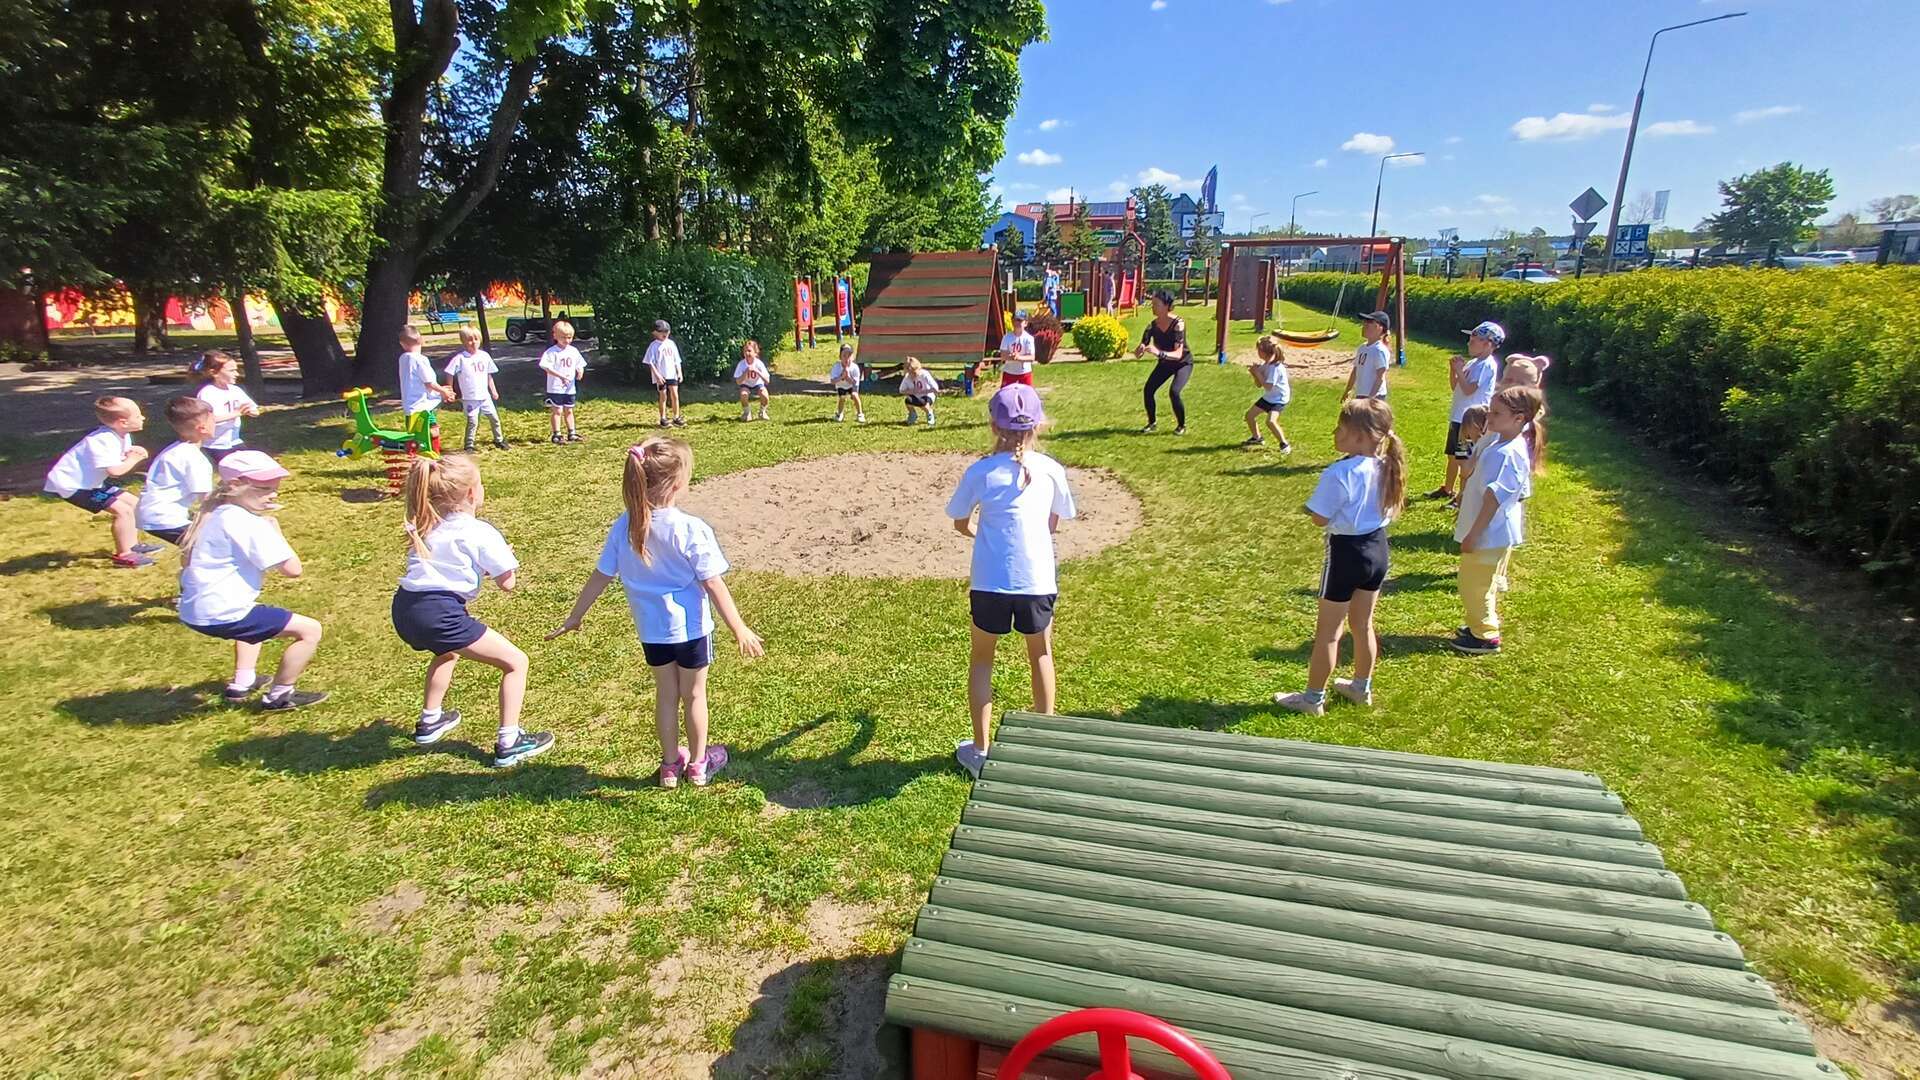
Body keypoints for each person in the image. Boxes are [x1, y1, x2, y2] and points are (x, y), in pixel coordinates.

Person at [549, 438, 764, 788]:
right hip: (692, 631)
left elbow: (601, 575)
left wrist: (576, 616)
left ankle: (669, 767)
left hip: (652, 632)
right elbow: (713, 583)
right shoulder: (690, 528)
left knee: (666, 694)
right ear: (677, 484)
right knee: (694, 695)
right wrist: (739, 627)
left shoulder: (625, 526)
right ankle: (698, 765)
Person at [946, 385, 1076, 779]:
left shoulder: (980, 471)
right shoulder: (1051, 469)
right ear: (1038, 425)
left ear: (992, 426)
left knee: (982, 659)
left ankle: (980, 751)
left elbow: (960, 522)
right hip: (1037, 580)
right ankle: (1044, 745)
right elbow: (1054, 522)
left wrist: (980, 534)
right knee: (1041, 654)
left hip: (990, 582)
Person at [393, 455, 546, 766]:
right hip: (440, 613)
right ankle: (509, 741)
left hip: (405, 608)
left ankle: (430, 720)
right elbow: (508, 583)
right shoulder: (479, 531)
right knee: (516, 662)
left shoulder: (428, 524)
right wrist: (502, 561)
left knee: (446, 652)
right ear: (473, 493)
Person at [1272, 398, 1406, 716]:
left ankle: (1312, 699)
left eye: (1340, 428)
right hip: (1377, 551)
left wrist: (1314, 510)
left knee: (1329, 633)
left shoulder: (1339, 472)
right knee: (1363, 625)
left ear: (1359, 436)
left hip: (1346, 554)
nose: (1335, 433)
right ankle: (1361, 688)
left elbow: (1320, 518)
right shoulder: (1387, 465)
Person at [176, 450, 326, 709]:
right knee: (310, 630)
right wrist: (274, 531)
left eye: (275, 488)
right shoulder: (247, 522)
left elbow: (186, 561)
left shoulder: (214, 513)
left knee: (254, 624)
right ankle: (280, 695)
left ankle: (242, 682)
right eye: (264, 489)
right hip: (223, 613)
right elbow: (292, 569)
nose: (273, 494)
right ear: (235, 485)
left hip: (195, 610)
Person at [1453, 386, 1547, 656]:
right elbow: (1467, 468)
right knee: (1484, 582)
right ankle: (1478, 625)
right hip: (1490, 532)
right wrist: (1465, 440)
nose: (1489, 418)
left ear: (1519, 419)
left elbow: (1494, 499)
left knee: (1473, 585)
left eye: (1496, 414)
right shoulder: (1496, 442)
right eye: (1490, 411)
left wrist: (1473, 534)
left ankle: (1486, 636)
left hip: (1488, 533)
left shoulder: (1506, 454)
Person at [43, 395, 154, 567]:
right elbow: (115, 471)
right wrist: (134, 459)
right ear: (123, 422)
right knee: (122, 511)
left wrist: (132, 451)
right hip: (73, 486)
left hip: (92, 484)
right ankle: (124, 554)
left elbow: (118, 456)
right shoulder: (102, 440)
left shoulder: (121, 435)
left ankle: (133, 545)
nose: (143, 418)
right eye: (138, 415)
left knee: (133, 503)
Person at [1430, 321, 1502, 500]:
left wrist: (1460, 371)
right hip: (1458, 416)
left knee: (1464, 459)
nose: (1469, 343)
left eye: (1474, 340)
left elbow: (1470, 390)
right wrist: (1453, 371)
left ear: (1488, 344)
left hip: (1471, 420)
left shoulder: (1486, 365)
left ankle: (1463, 496)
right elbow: (1456, 386)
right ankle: (1448, 489)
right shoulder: (1473, 363)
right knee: (1452, 456)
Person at [136, 396, 216, 547]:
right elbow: (206, 499)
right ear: (202, 428)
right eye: (214, 420)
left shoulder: (175, 449)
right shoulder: (194, 459)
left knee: (202, 548)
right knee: (212, 546)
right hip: (165, 519)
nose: (216, 424)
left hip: (152, 513)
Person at [1134, 289, 1191, 435]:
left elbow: (1178, 354)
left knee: (1174, 392)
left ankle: (1181, 426)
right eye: (1152, 304)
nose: (1152, 307)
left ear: (1167, 306)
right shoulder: (1152, 326)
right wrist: (1140, 349)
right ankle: (1152, 423)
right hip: (1165, 364)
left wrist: (1158, 353)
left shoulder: (1178, 324)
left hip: (1182, 363)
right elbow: (1141, 347)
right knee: (1149, 390)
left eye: (1156, 304)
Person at [445, 326, 508, 451]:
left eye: (476, 339)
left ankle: (499, 440)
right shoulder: (460, 358)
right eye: (469, 340)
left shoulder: (484, 356)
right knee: (473, 421)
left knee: (494, 418)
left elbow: (488, 375)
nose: (473, 342)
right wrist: (450, 390)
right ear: (463, 342)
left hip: (485, 396)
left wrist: (493, 391)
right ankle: (469, 444)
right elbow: (449, 373)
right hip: (470, 398)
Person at [193, 351, 260, 464]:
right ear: (214, 372)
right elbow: (208, 419)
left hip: (234, 440)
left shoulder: (235, 390)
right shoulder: (208, 393)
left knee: (249, 466)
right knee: (231, 469)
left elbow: (254, 409)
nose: (236, 374)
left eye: (236, 370)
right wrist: (236, 413)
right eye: (231, 371)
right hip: (215, 445)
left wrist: (251, 411)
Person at [399, 326, 453, 454]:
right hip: (422, 407)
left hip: (409, 407)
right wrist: (443, 391)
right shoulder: (420, 360)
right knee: (432, 430)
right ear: (421, 340)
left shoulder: (403, 359)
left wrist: (440, 390)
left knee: (415, 435)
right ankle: (434, 453)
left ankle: (416, 455)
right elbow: (429, 383)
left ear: (402, 344)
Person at [539, 320, 587, 444]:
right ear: (555, 336)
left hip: (569, 388)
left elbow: (579, 363)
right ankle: (557, 434)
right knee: (557, 410)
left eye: (569, 337)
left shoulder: (573, 351)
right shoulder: (551, 352)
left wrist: (580, 370)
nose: (566, 340)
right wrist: (560, 376)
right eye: (563, 337)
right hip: (556, 388)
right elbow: (546, 367)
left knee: (569, 410)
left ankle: (572, 432)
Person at [1243, 334, 1292, 451]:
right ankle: (1257, 438)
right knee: (1249, 416)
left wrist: (1257, 373)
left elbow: (1268, 386)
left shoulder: (1275, 368)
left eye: (1258, 350)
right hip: (1269, 397)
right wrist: (1254, 374)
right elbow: (1259, 384)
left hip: (1279, 399)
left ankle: (1284, 444)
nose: (1257, 352)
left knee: (1270, 421)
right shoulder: (1266, 365)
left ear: (1264, 352)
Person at [644, 319, 687, 428]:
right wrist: (657, 376)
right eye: (661, 332)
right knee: (663, 396)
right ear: (655, 333)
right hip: (661, 376)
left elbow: (677, 360)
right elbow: (650, 362)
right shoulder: (653, 346)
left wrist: (679, 372)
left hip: (672, 374)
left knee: (675, 394)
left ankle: (676, 417)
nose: (665, 334)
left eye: (666, 331)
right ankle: (663, 418)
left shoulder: (671, 344)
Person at [1343, 311, 1392, 400]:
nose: (1364, 326)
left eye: (1369, 322)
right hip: (1361, 394)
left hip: (1375, 396)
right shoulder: (1362, 348)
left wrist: (1370, 398)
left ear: (1379, 328)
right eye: (1364, 322)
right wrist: (1348, 390)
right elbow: (1355, 371)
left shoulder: (1379, 350)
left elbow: (1380, 377)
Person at [733, 339, 771, 421]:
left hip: (757, 383)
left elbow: (767, 381)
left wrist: (757, 371)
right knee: (743, 394)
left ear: (755, 353)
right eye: (745, 351)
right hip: (746, 384)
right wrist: (745, 372)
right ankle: (747, 412)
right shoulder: (741, 364)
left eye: (749, 351)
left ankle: (762, 412)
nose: (747, 353)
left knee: (765, 395)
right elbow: (738, 382)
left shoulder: (759, 364)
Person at [829, 343, 866, 424]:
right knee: (842, 397)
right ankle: (839, 414)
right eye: (844, 356)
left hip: (851, 385)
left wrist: (847, 377)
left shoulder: (855, 368)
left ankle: (860, 414)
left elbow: (855, 382)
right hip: (841, 386)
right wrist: (841, 377)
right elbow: (832, 381)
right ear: (840, 357)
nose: (847, 359)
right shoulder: (836, 367)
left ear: (852, 357)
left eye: (849, 356)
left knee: (854, 395)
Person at [998, 310, 1036, 387]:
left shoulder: (1029, 338)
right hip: (1009, 373)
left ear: (1025, 323)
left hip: (1024, 373)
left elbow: (1032, 357)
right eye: (1015, 320)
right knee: (1006, 393)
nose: (1017, 323)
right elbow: (1003, 355)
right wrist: (1012, 357)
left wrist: (1019, 357)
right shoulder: (1006, 337)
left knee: (1026, 394)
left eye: (1020, 321)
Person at [899, 356, 940, 427]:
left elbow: (935, 388)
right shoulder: (907, 377)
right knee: (908, 400)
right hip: (915, 395)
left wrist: (923, 391)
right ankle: (913, 414)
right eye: (910, 373)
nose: (913, 375)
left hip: (927, 396)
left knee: (922, 402)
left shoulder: (925, 374)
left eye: (914, 372)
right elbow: (901, 390)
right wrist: (912, 391)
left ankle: (929, 413)